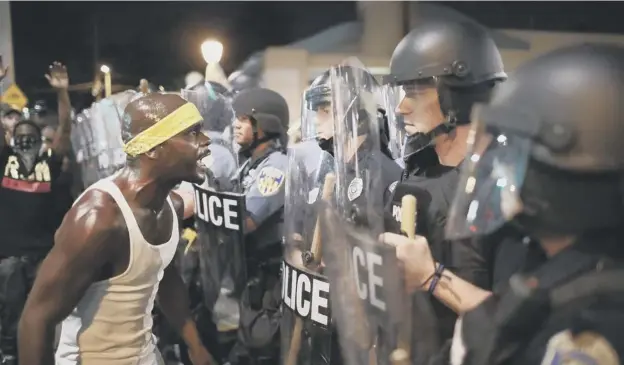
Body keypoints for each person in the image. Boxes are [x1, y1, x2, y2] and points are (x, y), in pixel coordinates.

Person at [383, 43, 624, 365]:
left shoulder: (594, 318)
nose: (499, 167)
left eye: (514, 154)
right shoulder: (555, 261)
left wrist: (431, 277)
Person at [17, 93, 216, 365]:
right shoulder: (99, 220)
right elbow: (36, 319)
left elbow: (162, 274)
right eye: (192, 133)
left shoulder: (173, 206)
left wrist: (195, 346)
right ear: (153, 149)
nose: (205, 141)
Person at [380, 17, 508, 343]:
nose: (401, 107)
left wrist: (430, 278)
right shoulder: (412, 171)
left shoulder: (502, 187)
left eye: (415, 91)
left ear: (458, 95)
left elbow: (514, 321)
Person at [0, 62, 72, 365]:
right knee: (10, 315)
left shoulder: (50, 163)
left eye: (32, 133)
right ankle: (9, 356)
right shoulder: (3, 160)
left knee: (42, 317)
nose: (26, 137)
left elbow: (66, 129)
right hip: (10, 257)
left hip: (43, 255)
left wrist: (63, 93)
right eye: (21, 133)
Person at [227, 87, 289, 365]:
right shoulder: (250, 164)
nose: (235, 125)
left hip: (268, 278)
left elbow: (247, 220)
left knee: (259, 348)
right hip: (250, 273)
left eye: (243, 119)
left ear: (263, 126)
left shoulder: (276, 167)